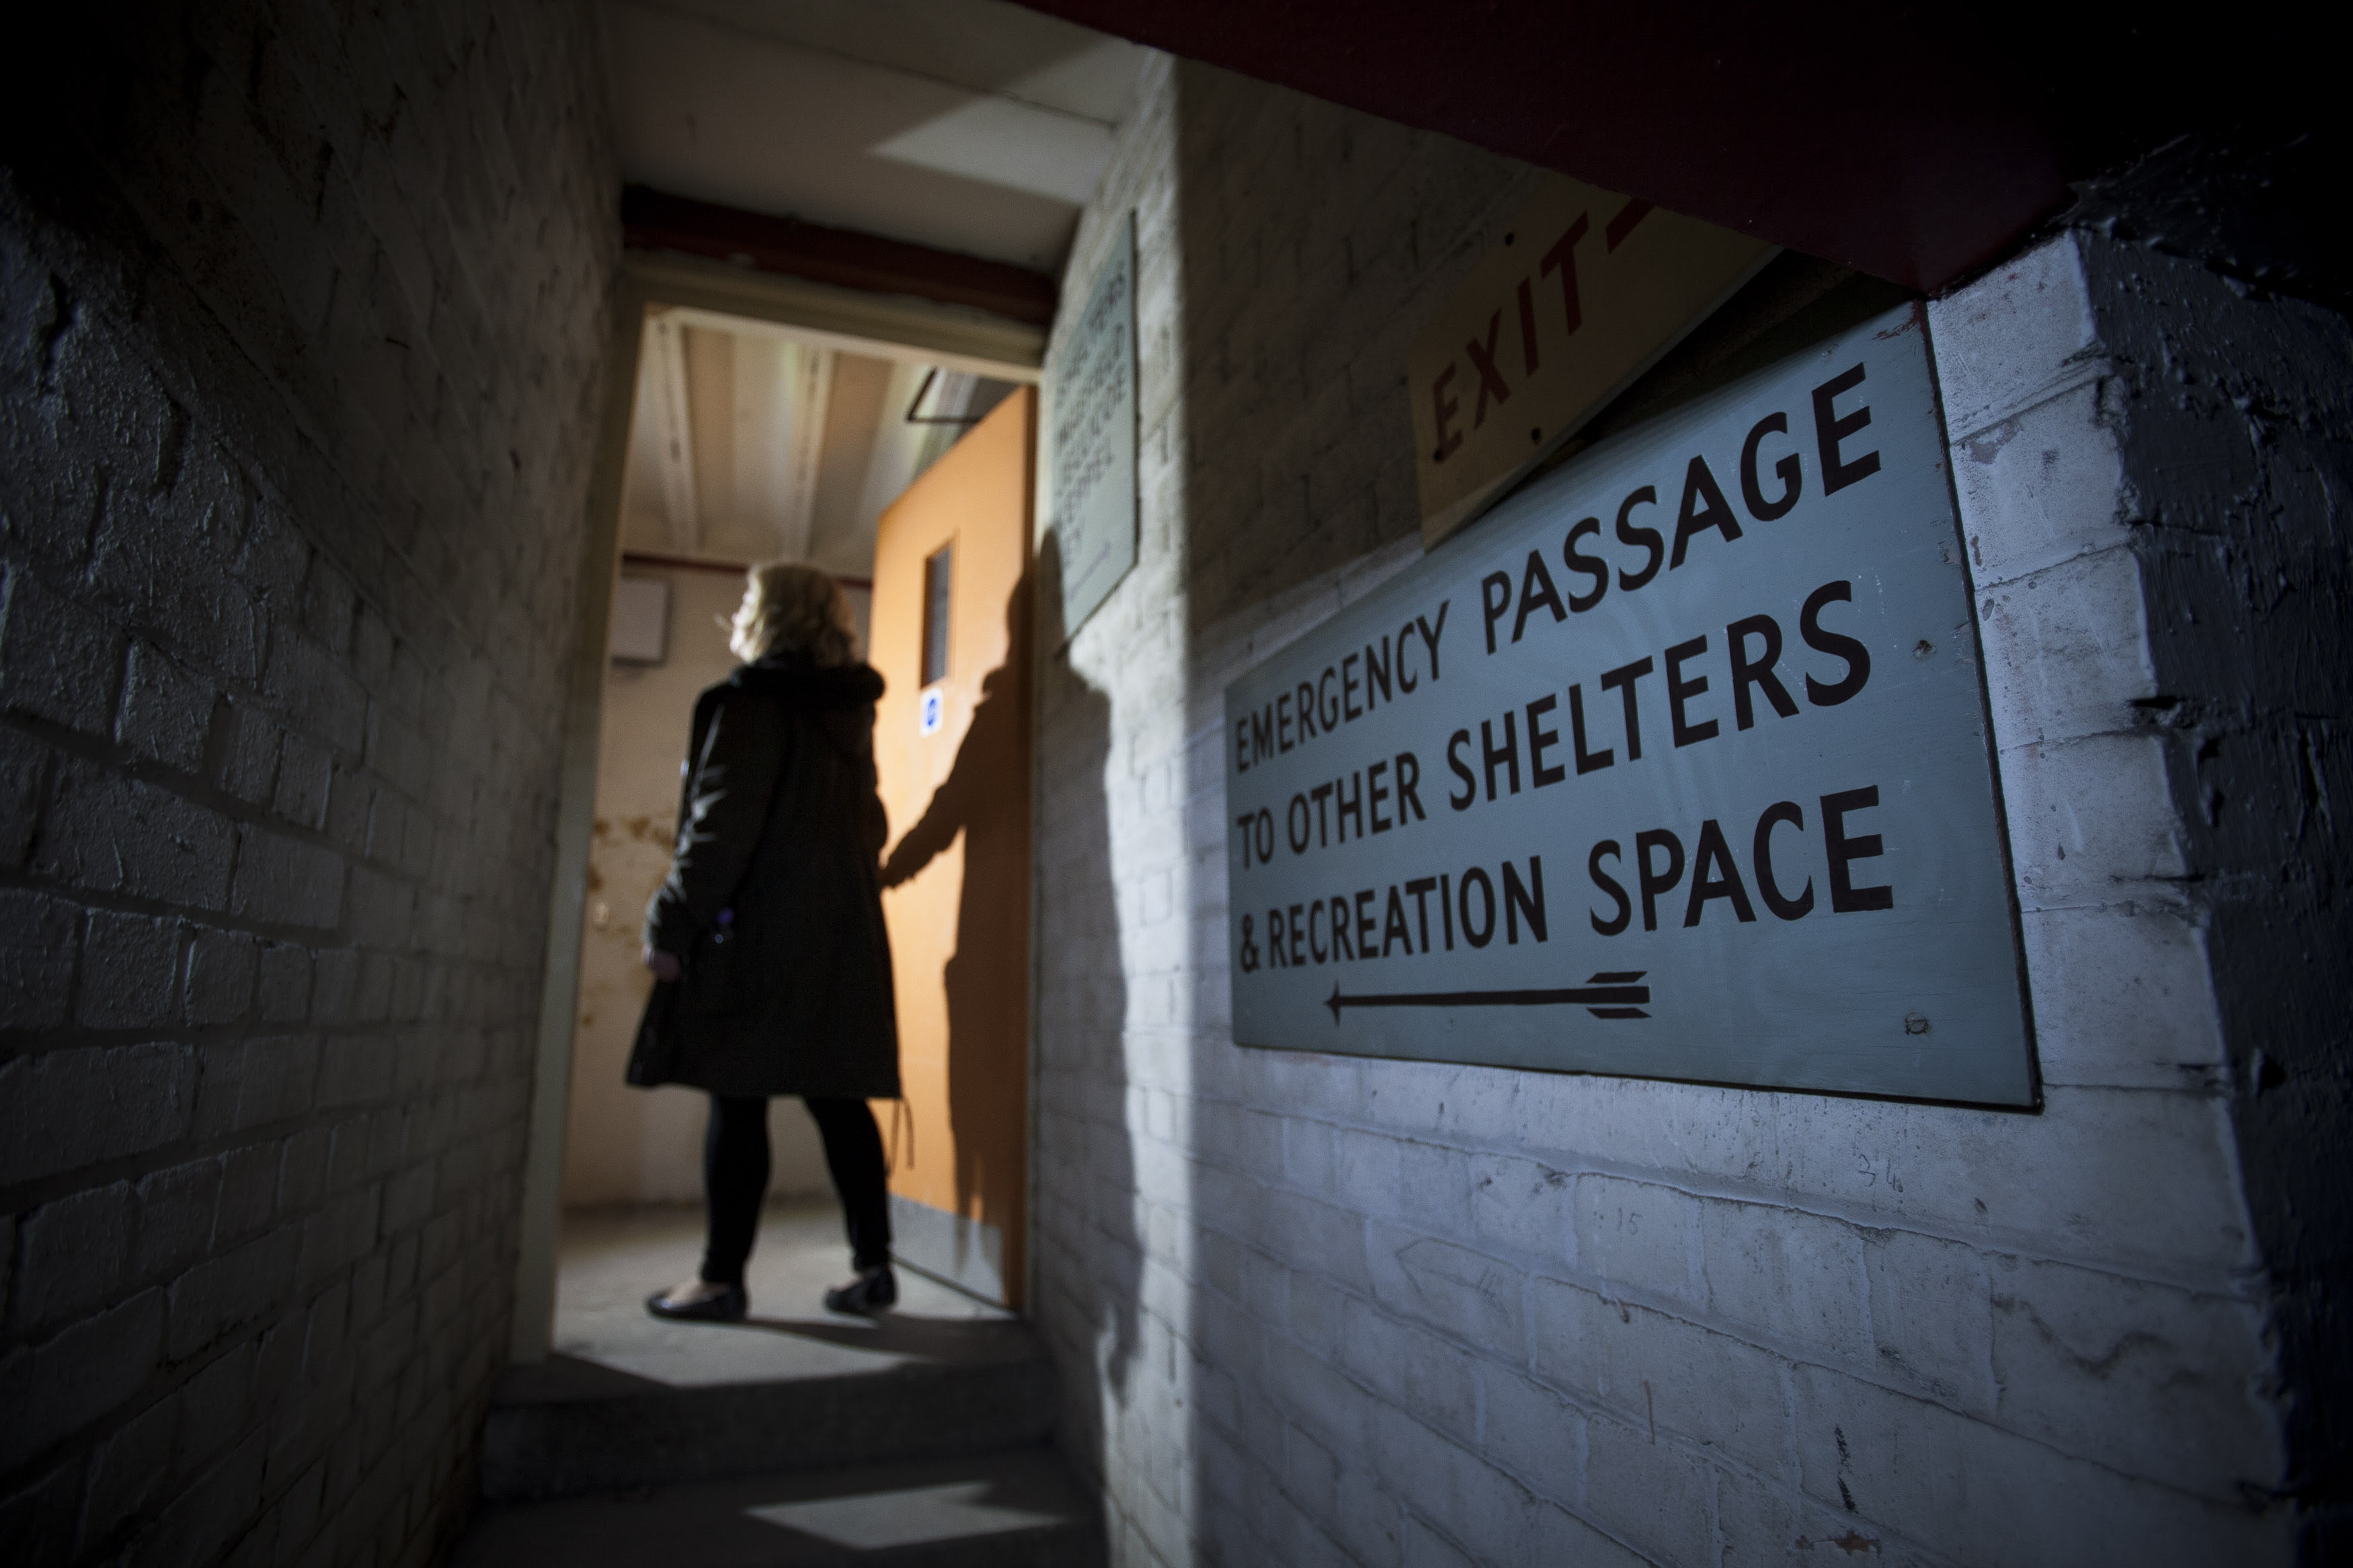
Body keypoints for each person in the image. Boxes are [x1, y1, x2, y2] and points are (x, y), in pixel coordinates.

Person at [625, 562, 901, 1320]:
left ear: (765, 615)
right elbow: (870, 828)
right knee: (839, 1097)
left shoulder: (751, 703)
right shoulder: (850, 712)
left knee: (738, 1098)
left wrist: (670, 922)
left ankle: (719, 1279)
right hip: (840, 938)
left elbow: (718, 828)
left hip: (759, 939)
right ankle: (873, 1267)